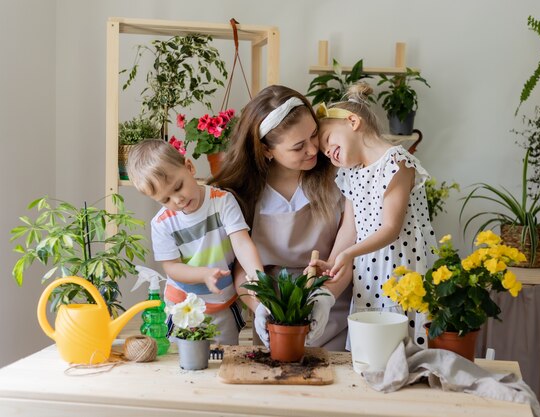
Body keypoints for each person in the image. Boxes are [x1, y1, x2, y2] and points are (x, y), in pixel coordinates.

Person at [211, 85, 353, 350]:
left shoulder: (339, 176)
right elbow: (242, 269)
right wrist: (260, 307)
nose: (313, 149)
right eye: (298, 147)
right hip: (275, 314)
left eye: (314, 134)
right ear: (266, 150)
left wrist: (324, 298)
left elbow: (346, 253)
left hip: (332, 304)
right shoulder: (243, 195)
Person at [312, 82, 438, 348]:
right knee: (372, 345)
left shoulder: (396, 162)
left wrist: (350, 254)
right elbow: (350, 228)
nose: (328, 153)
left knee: (401, 339)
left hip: (400, 267)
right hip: (369, 273)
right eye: (325, 153)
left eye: (327, 141)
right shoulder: (350, 175)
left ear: (353, 121)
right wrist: (334, 262)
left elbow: (390, 227)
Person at [127, 139, 264, 345]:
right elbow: (172, 268)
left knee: (223, 361)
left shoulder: (222, 201)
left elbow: (242, 243)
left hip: (224, 305)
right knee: (184, 364)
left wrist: (257, 276)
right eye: (165, 200)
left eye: (178, 187)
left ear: (189, 167)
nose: (177, 200)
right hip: (182, 307)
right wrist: (204, 274)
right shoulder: (162, 224)